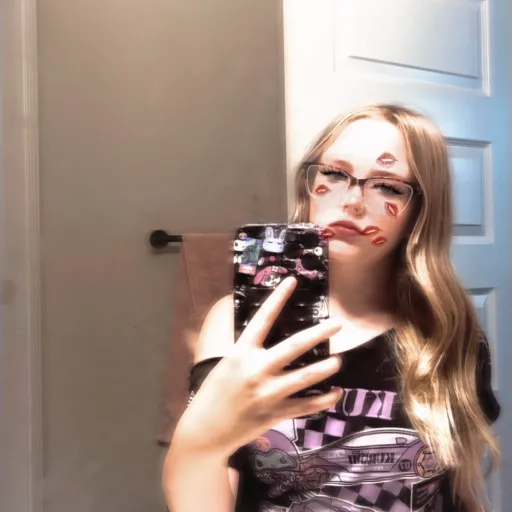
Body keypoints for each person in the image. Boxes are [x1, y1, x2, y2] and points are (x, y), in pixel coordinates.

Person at [162, 104, 501, 512]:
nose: (352, 201)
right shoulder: (237, 324)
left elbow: (462, 490)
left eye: (387, 186)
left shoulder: (449, 335)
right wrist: (203, 438)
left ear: (419, 213)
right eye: (335, 174)